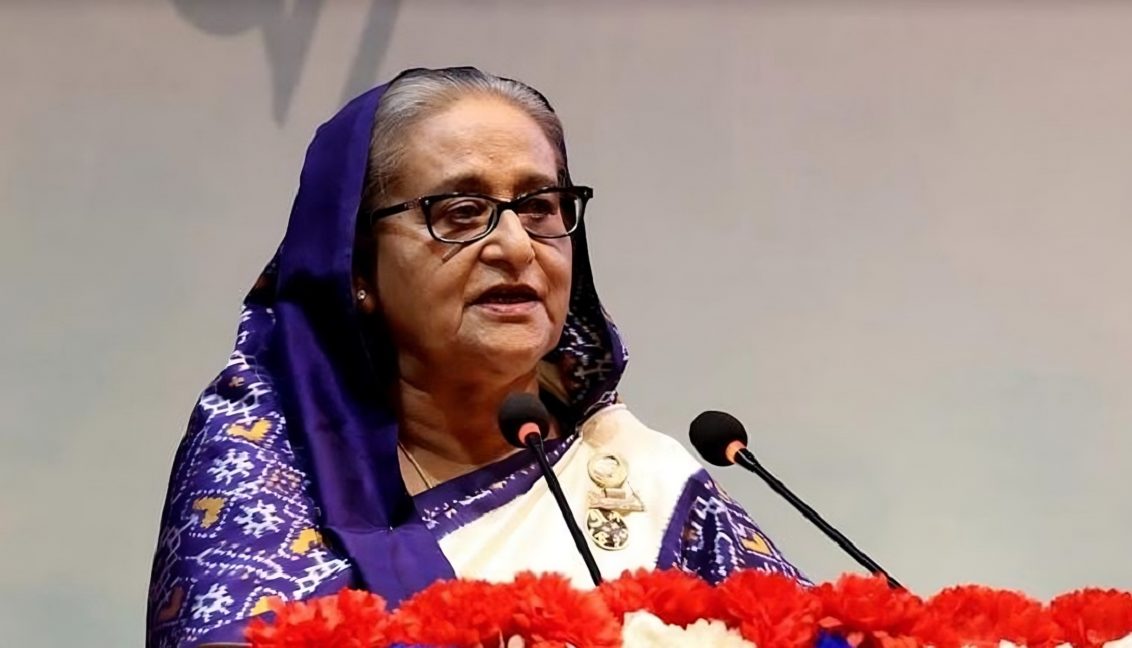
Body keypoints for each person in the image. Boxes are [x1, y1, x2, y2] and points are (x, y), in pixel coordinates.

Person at [147, 66, 806, 647]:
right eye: (461, 212)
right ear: (358, 268)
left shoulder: (643, 478)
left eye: (540, 207)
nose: (517, 246)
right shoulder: (268, 463)